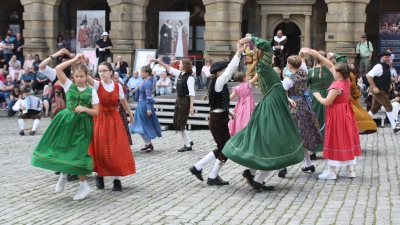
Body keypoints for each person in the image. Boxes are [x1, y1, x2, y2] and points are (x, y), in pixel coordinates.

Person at [222, 37, 304, 191]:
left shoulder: (264, 68)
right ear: (264, 55)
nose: (273, 56)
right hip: (272, 108)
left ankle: (251, 172)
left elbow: (276, 88)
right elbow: (267, 45)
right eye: (270, 55)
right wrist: (249, 39)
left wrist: (286, 99)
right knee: (274, 141)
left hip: (274, 104)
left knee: (267, 139)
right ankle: (258, 180)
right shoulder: (264, 66)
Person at [31, 54, 99, 201]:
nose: (79, 78)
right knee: (63, 148)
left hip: (83, 125)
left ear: (87, 76)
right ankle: (63, 175)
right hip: (66, 122)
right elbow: (58, 68)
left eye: (82, 76)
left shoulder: (92, 92)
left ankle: (83, 185)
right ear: (73, 77)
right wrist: (74, 60)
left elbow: (96, 112)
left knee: (79, 153)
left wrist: (85, 109)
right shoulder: (69, 86)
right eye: (77, 76)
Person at [188, 42, 244, 186]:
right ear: (219, 72)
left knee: (222, 147)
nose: (227, 73)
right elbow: (230, 69)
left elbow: (218, 103)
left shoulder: (216, 82)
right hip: (218, 120)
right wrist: (238, 53)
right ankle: (212, 176)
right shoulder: (218, 81)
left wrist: (229, 111)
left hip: (218, 118)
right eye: (224, 71)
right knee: (227, 149)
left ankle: (197, 167)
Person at [310, 50, 361, 180]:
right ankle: (349, 169)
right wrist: (318, 56)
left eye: (334, 71)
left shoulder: (336, 86)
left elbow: (327, 102)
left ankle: (331, 171)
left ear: (338, 73)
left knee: (335, 138)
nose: (331, 71)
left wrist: (318, 96)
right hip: (346, 113)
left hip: (337, 114)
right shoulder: (347, 80)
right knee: (347, 138)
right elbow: (331, 65)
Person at [86, 61, 135, 192]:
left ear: (111, 72)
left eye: (104, 71)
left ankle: (116, 179)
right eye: (100, 71)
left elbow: (123, 100)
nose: (101, 73)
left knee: (116, 147)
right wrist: (79, 62)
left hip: (114, 119)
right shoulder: (97, 84)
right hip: (100, 118)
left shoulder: (117, 86)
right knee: (100, 147)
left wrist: (130, 114)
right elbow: (86, 77)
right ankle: (99, 174)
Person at [282, 51, 323, 175]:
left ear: (289, 65)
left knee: (291, 134)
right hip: (306, 105)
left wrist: (288, 98)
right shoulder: (304, 73)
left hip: (294, 106)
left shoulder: (289, 79)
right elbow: (302, 62)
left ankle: (283, 165)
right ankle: (308, 164)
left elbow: (282, 94)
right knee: (303, 134)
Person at [151, 58, 195, 152]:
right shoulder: (180, 74)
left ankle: (188, 145)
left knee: (181, 123)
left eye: (180, 64)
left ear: (185, 66)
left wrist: (191, 107)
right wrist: (158, 61)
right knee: (176, 122)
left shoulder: (190, 78)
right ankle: (189, 141)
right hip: (179, 99)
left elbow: (192, 93)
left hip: (185, 100)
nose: (179, 65)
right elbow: (169, 68)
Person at [334, 53, 377, 135]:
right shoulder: (350, 75)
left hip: (342, 102)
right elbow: (355, 91)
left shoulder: (338, 76)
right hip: (349, 100)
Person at [307, 51, 334, 154]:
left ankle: (313, 149)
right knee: (328, 120)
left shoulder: (310, 71)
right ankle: (329, 146)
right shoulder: (331, 69)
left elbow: (305, 86)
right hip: (329, 95)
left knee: (315, 120)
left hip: (315, 97)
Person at [129, 66, 162, 152]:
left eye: (142, 72)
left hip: (144, 105)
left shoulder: (147, 82)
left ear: (146, 73)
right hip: (141, 104)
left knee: (141, 126)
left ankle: (149, 144)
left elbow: (149, 96)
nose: (140, 74)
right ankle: (148, 144)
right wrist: (149, 63)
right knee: (140, 126)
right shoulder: (148, 80)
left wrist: (148, 108)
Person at [367, 51, 400, 133]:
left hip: (383, 90)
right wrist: (374, 87)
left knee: (374, 109)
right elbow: (369, 75)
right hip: (379, 90)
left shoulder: (387, 66)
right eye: (386, 57)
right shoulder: (378, 66)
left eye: (388, 57)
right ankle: (394, 126)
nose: (387, 58)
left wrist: (391, 82)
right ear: (381, 58)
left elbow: (384, 77)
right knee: (388, 106)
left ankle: (361, 122)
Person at [228, 72, 258, 136]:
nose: (248, 78)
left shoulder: (237, 88)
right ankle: (248, 132)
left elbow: (230, 98)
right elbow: (256, 77)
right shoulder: (248, 84)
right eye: (246, 77)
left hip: (240, 105)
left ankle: (239, 131)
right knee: (248, 117)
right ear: (244, 78)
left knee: (240, 118)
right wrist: (258, 71)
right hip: (248, 105)